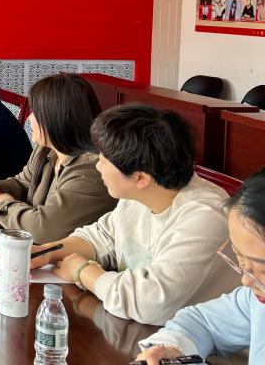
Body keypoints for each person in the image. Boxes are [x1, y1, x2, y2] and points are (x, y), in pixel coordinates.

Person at [30, 104, 236, 326]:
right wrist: (47, 252)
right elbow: (101, 236)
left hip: (196, 343)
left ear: (140, 178)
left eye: (104, 161)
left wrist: (83, 271)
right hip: (142, 331)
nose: (97, 166)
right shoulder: (141, 194)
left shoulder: (206, 217)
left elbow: (151, 302)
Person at [135, 171, 265, 365]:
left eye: (260, 268)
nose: (246, 280)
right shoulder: (256, 300)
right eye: (239, 260)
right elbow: (203, 321)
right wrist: (172, 350)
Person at [0, 74, 114, 243]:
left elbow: (43, 229)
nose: (29, 118)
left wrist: (3, 205)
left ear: (56, 118)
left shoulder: (92, 169)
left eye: (35, 112)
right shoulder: (45, 150)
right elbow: (23, 183)